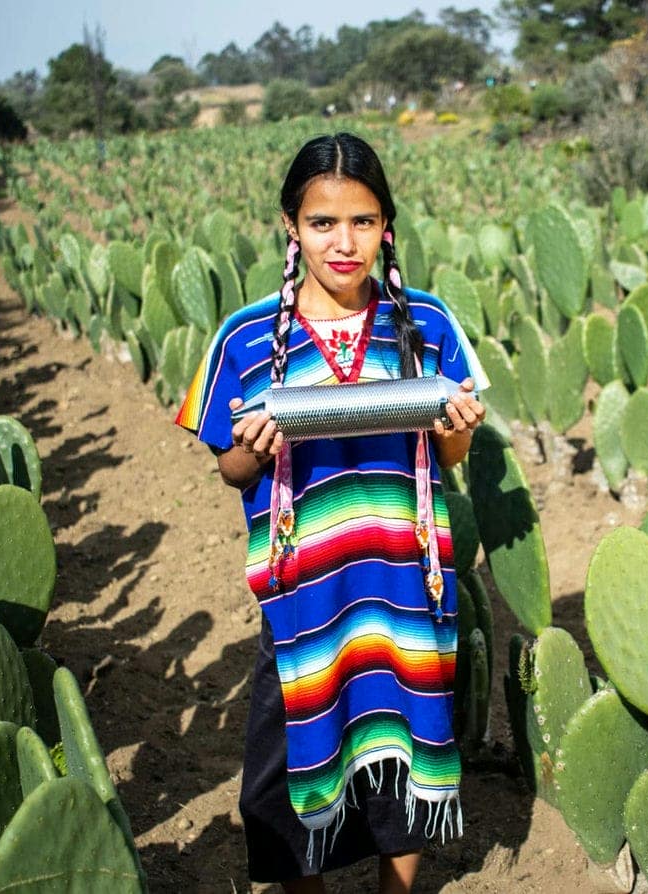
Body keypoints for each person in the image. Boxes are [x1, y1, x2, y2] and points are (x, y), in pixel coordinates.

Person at [173, 132, 488, 894]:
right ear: (291, 225)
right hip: (305, 594)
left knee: (407, 759)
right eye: (323, 223)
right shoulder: (245, 338)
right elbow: (230, 468)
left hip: (406, 585)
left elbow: (447, 459)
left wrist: (456, 432)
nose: (344, 243)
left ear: (387, 226)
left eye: (364, 222)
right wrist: (252, 445)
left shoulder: (429, 323)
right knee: (278, 784)